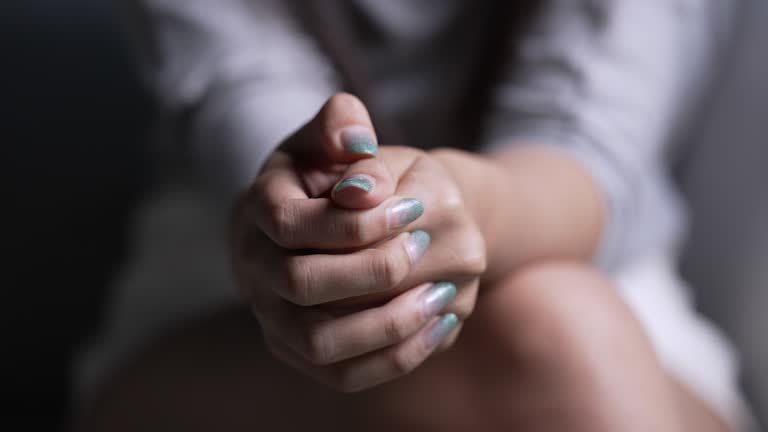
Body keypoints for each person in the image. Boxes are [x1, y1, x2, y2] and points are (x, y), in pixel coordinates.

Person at [86, 1, 755, 430]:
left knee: (553, 324)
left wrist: (459, 203)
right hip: (231, 299)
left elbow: (583, 151)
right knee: (558, 333)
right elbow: (243, 96)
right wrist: (323, 207)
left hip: (602, 277)